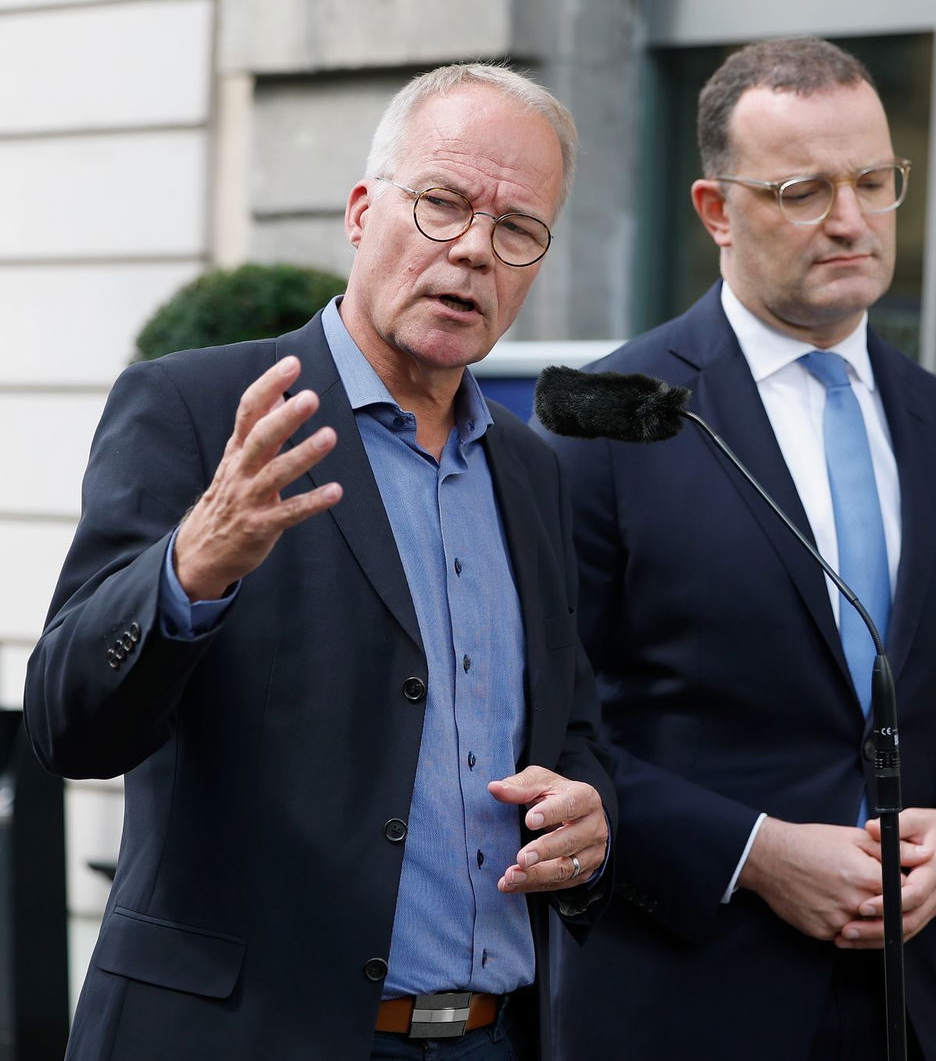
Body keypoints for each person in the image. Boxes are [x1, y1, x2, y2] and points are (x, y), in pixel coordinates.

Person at [25, 63, 614, 1061]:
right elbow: (65, 723)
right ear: (359, 211)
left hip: (494, 1037)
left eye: (517, 230)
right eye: (442, 204)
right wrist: (192, 565)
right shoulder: (199, 409)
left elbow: (575, 729)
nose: (474, 248)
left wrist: (590, 815)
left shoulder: (530, 472)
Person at [537, 37, 936, 1061]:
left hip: (926, 1008)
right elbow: (554, 728)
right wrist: (755, 854)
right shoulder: (609, 419)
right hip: (687, 1000)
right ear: (715, 211)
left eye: (874, 182)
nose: (851, 220)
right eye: (803, 189)